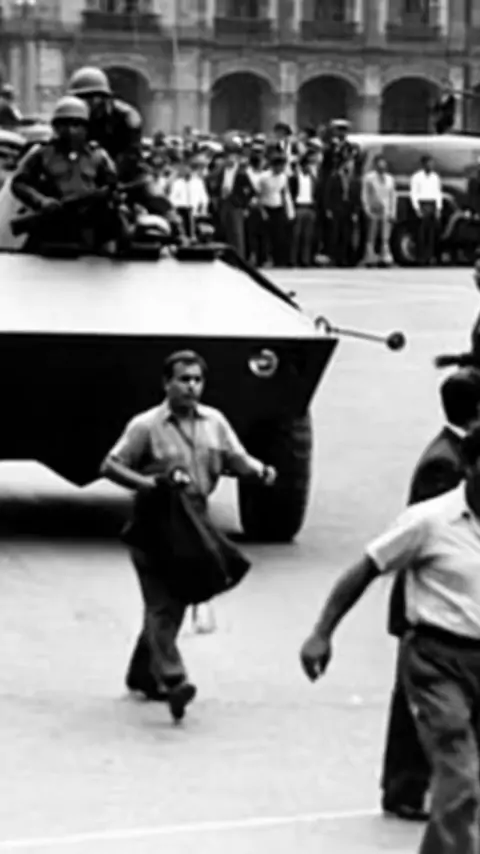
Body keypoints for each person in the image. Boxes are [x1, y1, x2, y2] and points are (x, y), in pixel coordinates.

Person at [300, 422, 480, 854]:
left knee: (467, 784)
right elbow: (366, 568)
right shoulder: (429, 521)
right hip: (437, 660)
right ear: (470, 466)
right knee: (459, 771)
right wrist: (322, 633)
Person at [100, 350, 277, 721]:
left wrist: (261, 471)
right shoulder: (146, 426)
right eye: (183, 379)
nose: (191, 387)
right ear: (167, 384)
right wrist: (148, 484)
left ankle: (142, 673)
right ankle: (174, 679)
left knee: (176, 599)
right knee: (162, 603)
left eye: (197, 380)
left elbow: (236, 458)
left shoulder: (214, 423)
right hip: (154, 521)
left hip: (193, 521)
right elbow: (110, 465)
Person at [381, 368, 480, 821]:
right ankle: (407, 788)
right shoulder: (447, 463)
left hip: (446, 601)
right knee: (414, 706)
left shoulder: (452, 450)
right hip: (433, 601)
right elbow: (429, 535)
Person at [11, 95, 120, 250]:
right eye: (64, 124)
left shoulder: (98, 156)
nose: (70, 130)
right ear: (55, 127)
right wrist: (41, 201)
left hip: (88, 230)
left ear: (86, 127)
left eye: (76, 124)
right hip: (50, 228)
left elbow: (112, 186)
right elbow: (19, 183)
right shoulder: (41, 153)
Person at [66, 67, 143, 183]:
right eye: (80, 98)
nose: (86, 102)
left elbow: (130, 155)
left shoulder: (127, 117)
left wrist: (110, 178)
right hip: (85, 174)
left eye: (91, 96)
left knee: (153, 193)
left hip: (128, 176)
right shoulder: (73, 117)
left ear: (103, 97)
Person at [362, 155, 396, 268]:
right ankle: (370, 256)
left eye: (384, 165)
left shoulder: (390, 179)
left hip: (386, 210)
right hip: (374, 209)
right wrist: (367, 208)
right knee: (372, 233)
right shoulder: (369, 178)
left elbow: (392, 196)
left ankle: (385, 256)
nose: (382, 167)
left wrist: (393, 212)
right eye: (379, 165)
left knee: (385, 235)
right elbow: (365, 194)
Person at [410, 156, 442, 266]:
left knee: (431, 233)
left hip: (432, 204)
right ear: (423, 164)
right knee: (421, 233)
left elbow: (438, 193)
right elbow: (414, 193)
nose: (431, 166)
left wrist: (438, 208)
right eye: (429, 163)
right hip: (422, 203)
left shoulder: (435, 177)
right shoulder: (416, 177)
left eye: (432, 163)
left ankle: (430, 257)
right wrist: (417, 208)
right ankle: (420, 257)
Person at [289, 153, 319, 267]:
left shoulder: (313, 178)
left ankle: (305, 260)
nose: (309, 167)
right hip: (299, 206)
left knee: (308, 235)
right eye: (308, 165)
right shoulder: (295, 178)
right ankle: (293, 259)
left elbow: (316, 193)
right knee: (296, 235)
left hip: (309, 207)